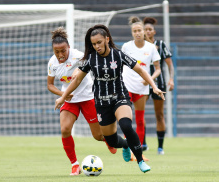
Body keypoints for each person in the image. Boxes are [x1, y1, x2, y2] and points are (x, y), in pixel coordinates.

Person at [55, 24, 165, 173]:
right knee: (111, 140)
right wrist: (62, 97)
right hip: (101, 103)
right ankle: (125, 145)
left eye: (99, 42)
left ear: (107, 39)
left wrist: (154, 86)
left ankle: (140, 160)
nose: (97, 46)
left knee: (126, 125)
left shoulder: (118, 55)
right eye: (94, 44)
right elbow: (77, 80)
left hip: (120, 97)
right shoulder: (91, 59)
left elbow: (140, 69)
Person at [47, 27, 117, 176]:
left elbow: (91, 60)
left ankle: (110, 139)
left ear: (69, 48)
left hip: (88, 97)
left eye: (63, 51)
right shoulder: (52, 63)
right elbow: (50, 85)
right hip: (70, 100)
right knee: (65, 129)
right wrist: (63, 95)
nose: (60, 55)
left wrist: (79, 70)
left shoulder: (79, 56)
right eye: (56, 51)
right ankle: (75, 165)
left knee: (98, 136)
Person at [121, 16, 161, 158]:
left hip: (142, 89)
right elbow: (121, 65)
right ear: (132, 33)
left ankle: (138, 152)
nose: (137, 33)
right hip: (127, 87)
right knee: (126, 119)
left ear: (144, 31)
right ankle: (128, 147)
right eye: (135, 31)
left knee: (139, 120)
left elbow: (158, 69)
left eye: (140, 30)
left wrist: (149, 80)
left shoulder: (151, 48)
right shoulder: (126, 47)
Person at [143, 17, 175, 155]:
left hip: (158, 83)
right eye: (145, 29)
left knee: (159, 115)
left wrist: (171, 79)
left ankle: (160, 147)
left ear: (154, 32)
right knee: (140, 114)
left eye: (150, 29)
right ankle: (143, 143)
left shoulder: (160, 45)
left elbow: (169, 65)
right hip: (142, 83)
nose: (147, 32)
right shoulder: (138, 46)